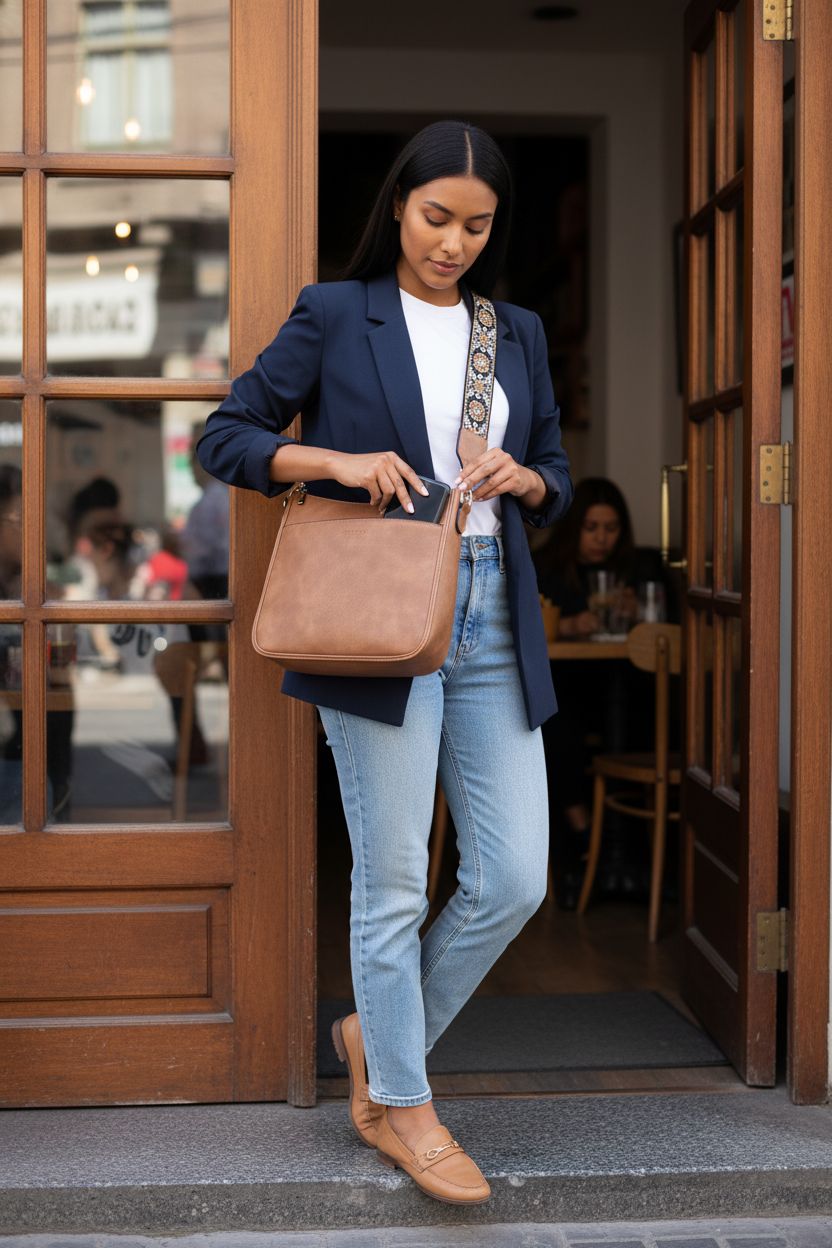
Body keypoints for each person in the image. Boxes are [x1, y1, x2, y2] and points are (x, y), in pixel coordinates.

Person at [196, 120, 572, 1205]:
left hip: (493, 612)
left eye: (477, 225)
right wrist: (332, 459)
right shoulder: (333, 312)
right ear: (397, 209)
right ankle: (404, 1109)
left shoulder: (520, 332)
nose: (454, 243)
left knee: (511, 877)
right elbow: (226, 433)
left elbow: (551, 464)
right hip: (374, 612)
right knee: (395, 877)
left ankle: (374, 1030)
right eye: (435, 218)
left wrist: (523, 478)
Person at [535, 477, 672, 906]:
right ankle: (584, 829)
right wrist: (568, 625)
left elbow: (664, 628)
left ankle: (621, 846)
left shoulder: (639, 569)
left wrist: (642, 615)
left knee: (642, 711)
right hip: (570, 687)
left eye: (610, 529)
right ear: (575, 527)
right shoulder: (548, 570)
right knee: (552, 719)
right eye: (591, 528)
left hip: (623, 687)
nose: (601, 539)